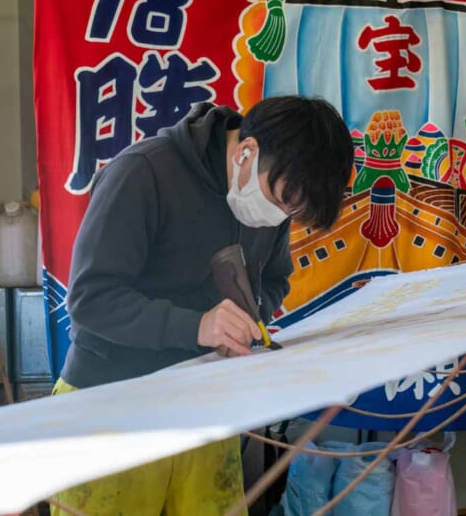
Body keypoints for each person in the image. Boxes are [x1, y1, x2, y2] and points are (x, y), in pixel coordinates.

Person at [50, 96, 354, 516]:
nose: (280, 215)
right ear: (247, 150)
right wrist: (197, 326)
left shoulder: (275, 201)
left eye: (293, 211)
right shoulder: (143, 172)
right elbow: (90, 299)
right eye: (281, 198)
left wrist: (248, 320)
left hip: (204, 404)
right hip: (111, 404)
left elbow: (273, 277)